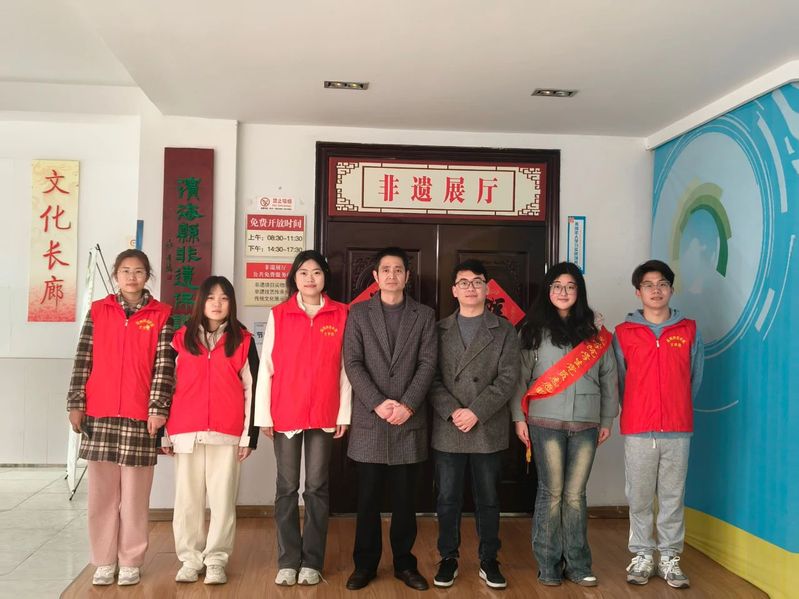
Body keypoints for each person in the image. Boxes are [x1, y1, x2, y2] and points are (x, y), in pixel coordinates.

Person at [66, 249, 174, 586]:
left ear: (147, 275)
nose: (131, 277)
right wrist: (76, 402)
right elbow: (83, 359)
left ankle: (130, 560)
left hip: (139, 416)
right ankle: (103, 560)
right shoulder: (99, 311)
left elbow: (164, 367)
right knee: (102, 496)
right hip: (99, 414)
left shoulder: (162, 314)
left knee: (135, 498)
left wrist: (158, 409)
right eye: (125, 270)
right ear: (116, 274)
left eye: (138, 271)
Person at [512, 261, 618, 587]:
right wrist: (518, 418)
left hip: (586, 422)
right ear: (548, 290)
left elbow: (609, 378)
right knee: (552, 493)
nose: (563, 292)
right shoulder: (531, 330)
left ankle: (578, 564)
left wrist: (607, 419)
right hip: (544, 421)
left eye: (570, 286)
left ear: (579, 292)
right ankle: (548, 563)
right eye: (557, 286)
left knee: (575, 495)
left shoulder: (596, 332)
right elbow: (519, 378)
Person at [254, 250, 351, 586]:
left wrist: (344, 412)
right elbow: (266, 367)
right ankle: (287, 560)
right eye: (304, 272)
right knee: (286, 487)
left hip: (325, 410)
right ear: (294, 278)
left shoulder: (341, 313)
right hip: (286, 411)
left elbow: (346, 369)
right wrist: (264, 415)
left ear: (325, 277)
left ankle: (312, 560)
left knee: (317, 487)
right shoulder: (279, 314)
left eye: (316, 272)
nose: (310, 279)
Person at [343, 247, 437, 591]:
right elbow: (353, 362)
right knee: (367, 501)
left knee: (405, 502)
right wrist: (378, 402)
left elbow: (428, 363)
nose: (392, 275)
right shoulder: (358, 313)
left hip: (408, 422)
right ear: (375, 276)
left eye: (398, 270)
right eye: (386, 270)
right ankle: (364, 565)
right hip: (371, 420)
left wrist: (408, 405)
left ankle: (405, 564)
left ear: (407, 276)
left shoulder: (424, 315)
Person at [162, 276, 259, 585]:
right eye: (210, 297)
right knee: (187, 501)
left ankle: (216, 559)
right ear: (200, 302)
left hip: (227, 433)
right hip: (185, 431)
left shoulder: (243, 341)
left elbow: (253, 390)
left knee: (222, 500)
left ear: (231, 303)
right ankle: (189, 559)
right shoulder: (179, 339)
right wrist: (164, 433)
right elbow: (165, 385)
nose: (217, 303)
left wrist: (249, 436)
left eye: (224, 298)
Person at [429, 259, 520, 590]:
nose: (471, 288)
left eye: (477, 282)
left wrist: (476, 411)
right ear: (454, 290)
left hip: (487, 426)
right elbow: (430, 377)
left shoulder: (504, 330)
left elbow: (508, 378)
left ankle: (489, 559)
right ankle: (448, 557)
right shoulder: (437, 329)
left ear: (487, 288)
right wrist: (454, 411)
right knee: (447, 498)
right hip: (449, 426)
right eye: (464, 282)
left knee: (489, 499)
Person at [613, 259, 703, 589]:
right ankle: (642, 554)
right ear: (638, 292)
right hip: (639, 428)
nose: (656, 290)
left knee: (672, 496)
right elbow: (620, 381)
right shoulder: (623, 333)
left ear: (671, 290)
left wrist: (675, 406)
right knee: (638, 496)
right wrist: (640, 407)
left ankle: (669, 557)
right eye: (648, 285)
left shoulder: (689, 329)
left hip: (678, 428)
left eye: (662, 284)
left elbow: (694, 378)